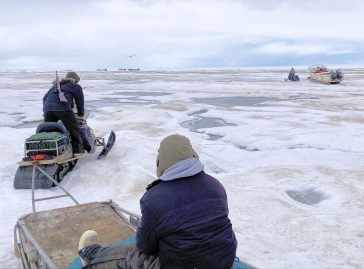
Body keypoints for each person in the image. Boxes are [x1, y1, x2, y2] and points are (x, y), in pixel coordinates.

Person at [78, 134, 238, 269]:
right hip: (224, 260)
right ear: (193, 156)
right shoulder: (215, 185)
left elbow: (145, 246)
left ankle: (91, 256)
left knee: (131, 254)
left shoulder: (155, 198)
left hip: (183, 265)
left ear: (160, 162)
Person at [42, 71, 86, 156]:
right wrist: (80, 115)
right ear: (75, 80)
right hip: (63, 108)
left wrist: (47, 110)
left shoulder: (56, 85)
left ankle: (48, 151)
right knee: (75, 129)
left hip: (47, 108)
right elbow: (79, 102)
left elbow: (44, 98)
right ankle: (78, 151)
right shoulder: (76, 86)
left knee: (48, 131)